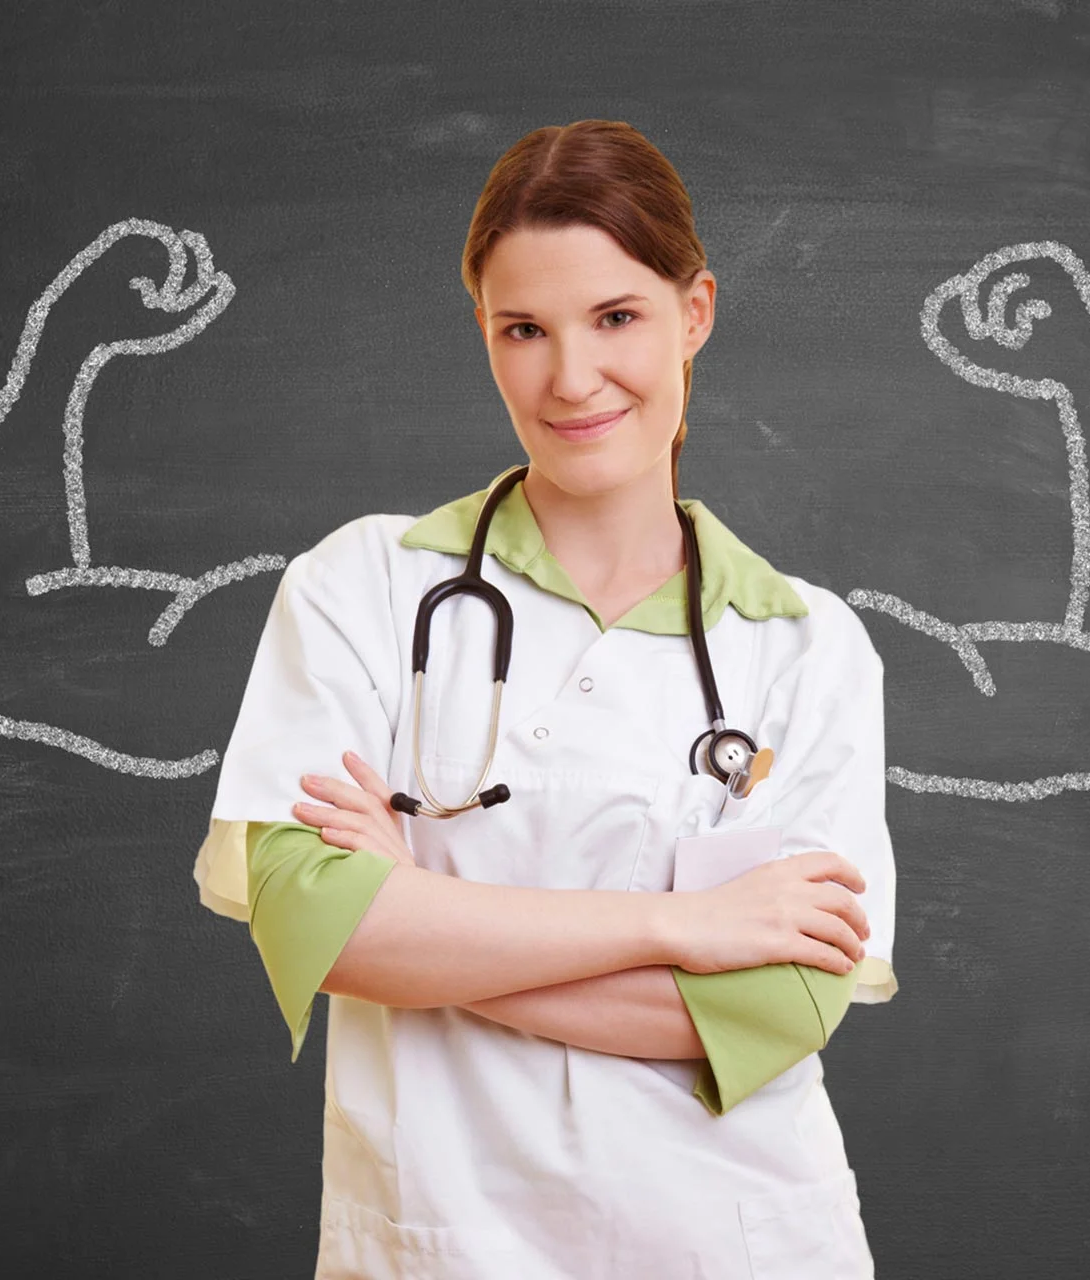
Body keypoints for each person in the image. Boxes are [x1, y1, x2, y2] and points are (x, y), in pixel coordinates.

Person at [192, 119, 898, 1279]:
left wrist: (421, 912)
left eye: (617, 317)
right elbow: (319, 918)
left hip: (742, 1241)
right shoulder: (362, 586)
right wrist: (678, 929)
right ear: (485, 334)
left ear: (696, 313)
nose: (572, 377)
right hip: (444, 1241)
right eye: (525, 329)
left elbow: (774, 1009)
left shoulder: (808, 646)